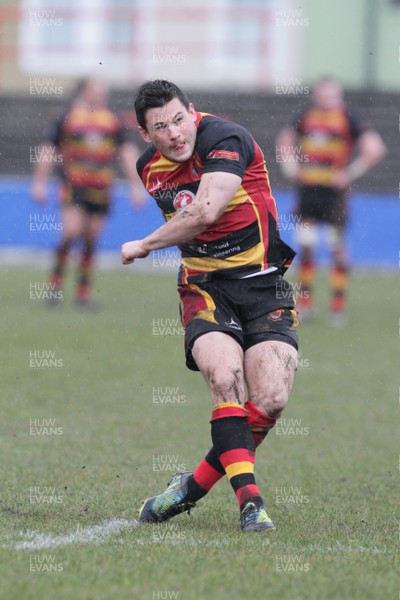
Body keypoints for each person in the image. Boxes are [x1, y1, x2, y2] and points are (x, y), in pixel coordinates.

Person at [122, 80, 299, 532]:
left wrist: (144, 245)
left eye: (179, 119)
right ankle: (251, 505)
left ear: (193, 112)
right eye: (160, 127)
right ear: (145, 133)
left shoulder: (226, 138)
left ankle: (192, 487)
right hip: (204, 288)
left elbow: (203, 211)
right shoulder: (149, 168)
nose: (175, 133)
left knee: (272, 400)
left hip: (263, 285)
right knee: (225, 378)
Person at [276, 77, 386, 326]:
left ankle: (337, 307)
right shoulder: (306, 115)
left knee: (337, 247)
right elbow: (284, 141)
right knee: (306, 244)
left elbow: (375, 148)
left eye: (331, 96)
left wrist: (349, 173)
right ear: (316, 95)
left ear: (339, 97)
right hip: (308, 190)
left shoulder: (349, 118)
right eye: (323, 95)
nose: (327, 100)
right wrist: (291, 167)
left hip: (334, 194)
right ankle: (306, 304)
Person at [32, 78, 146, 308]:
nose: (101, 94)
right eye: (96, 90)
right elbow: (48, 148)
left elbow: (127, 152)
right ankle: (55, 285)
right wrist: (40, 182)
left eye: (103, 90)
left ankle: (82, 292)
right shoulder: (67, 116)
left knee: (91, 238)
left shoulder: (112, 120)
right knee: (71, 232)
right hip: (73, 186)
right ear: (84, 91)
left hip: (102, 188)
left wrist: (136, 186)